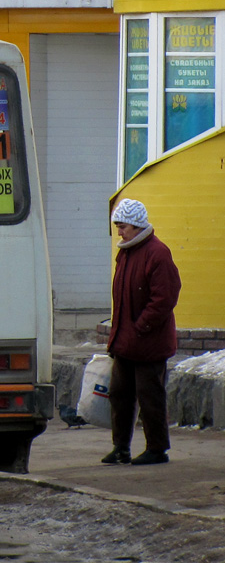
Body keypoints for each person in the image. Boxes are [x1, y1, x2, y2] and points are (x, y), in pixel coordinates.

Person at [101, 198, 181, 466]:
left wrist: (141, 326)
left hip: (149, 342)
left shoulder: (157, 253)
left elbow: (164, 298)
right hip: (126, 341)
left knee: (150, 398)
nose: (119, 232)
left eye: (122, 226)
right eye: (117, 226)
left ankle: (157, 449)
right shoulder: (125, 252)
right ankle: (120, 447)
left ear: (136, 225)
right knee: (119, 395)